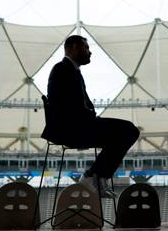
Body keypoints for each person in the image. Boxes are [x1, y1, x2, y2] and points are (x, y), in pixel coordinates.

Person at [42, 35, 140, 197]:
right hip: (73, 129)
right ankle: (93, 176)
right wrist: (91, 118)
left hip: (78, 125)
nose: (90, 52)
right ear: (73, 48)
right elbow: (69, 106)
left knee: (124, 132)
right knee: (128, 130)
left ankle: (97, 176)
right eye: (86, 48)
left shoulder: (71, 70)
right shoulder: (62, 69)